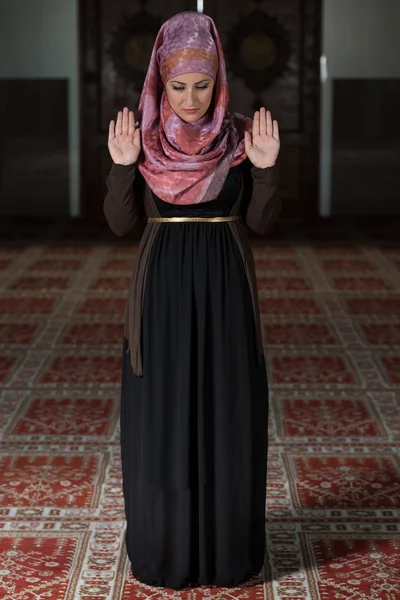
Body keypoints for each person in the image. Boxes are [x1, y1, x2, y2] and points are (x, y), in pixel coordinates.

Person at [104, 11, 281, 591]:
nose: (189, 98)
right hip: (162, 291)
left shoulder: (238, 137)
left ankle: (228, 552)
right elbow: (119, 223)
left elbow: (262, 221)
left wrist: (266, 172)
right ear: (160, 78)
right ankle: (166, 549)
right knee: (165, 412)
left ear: (219, 80)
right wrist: (122, 169)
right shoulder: (145, 141)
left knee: (226, 408)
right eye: (177, 85)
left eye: (201, 84)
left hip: (227, 286)